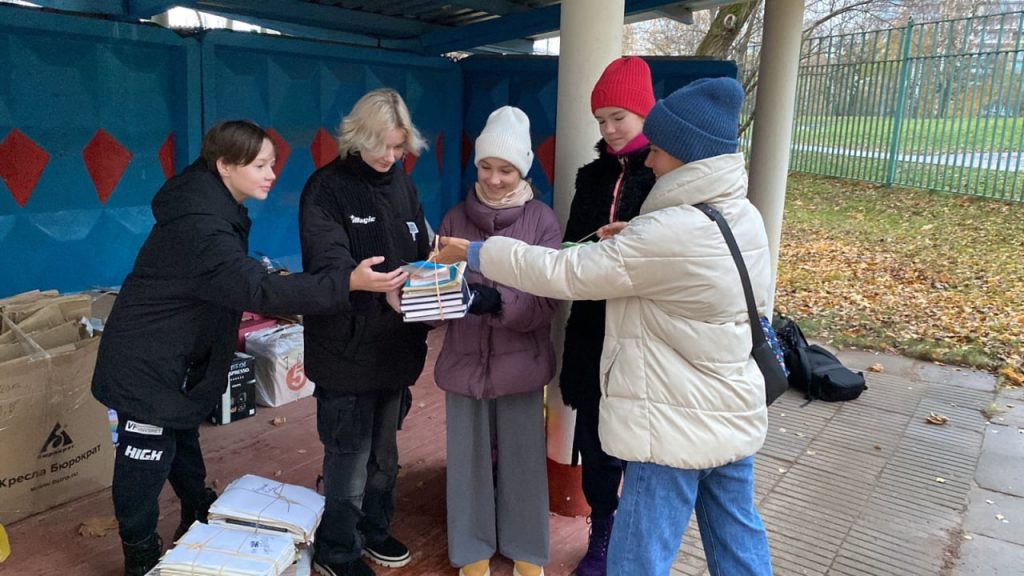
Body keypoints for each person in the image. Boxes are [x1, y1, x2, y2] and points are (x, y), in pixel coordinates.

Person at [436, 77, 774, 575]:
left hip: (673, 420)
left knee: (637, 555)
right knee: (736, 537)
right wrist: (636, 236)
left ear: (685, 154)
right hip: (730, 406)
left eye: (657, 149)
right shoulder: (742, 216)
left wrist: (477, 252)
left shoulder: (670, 230)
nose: (650, 160)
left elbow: (563, 272)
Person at [92, 120, 372, 576]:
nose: (271, 173)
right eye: (260, 164)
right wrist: (347, 281)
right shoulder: (201, 226)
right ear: (225, 166)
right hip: (145, 363)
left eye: (273, 163)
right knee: (144, 462)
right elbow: (256, 290)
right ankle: (139, 549)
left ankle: (197, 510)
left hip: (178, 360)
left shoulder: (213, 207)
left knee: (181, 435)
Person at [298, 88, 431, 576]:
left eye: (399, 148)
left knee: (385, 458)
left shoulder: (403, 185)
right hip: (345, 349)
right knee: (348, 461)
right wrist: (368, 285)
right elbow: (327, 261)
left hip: (395, 348)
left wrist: (432, 274)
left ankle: (374, 530)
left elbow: (420, 241)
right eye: (382, 146)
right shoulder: (326, 188)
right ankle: (337, 549)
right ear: (357, 136)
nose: (390, 157)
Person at [434, 106, 561, 576]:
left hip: (521, 360)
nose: (494, 179)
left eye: (505, 170)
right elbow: (437, 286)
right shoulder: (453, 216)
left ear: (523, 168)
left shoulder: (541, 221)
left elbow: (548, 298)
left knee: (524, 459)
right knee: (466, 461)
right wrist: (426, 296)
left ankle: (528, 547)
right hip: (464, 360)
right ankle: (471, 550)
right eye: (486, 167)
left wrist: (496, 300)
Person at [559, 56, 656, 576]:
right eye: (600, 120)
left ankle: (636, 541)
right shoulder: (592, 176)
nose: (609, 129)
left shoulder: (667, 172)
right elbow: (571, 242)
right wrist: (584, 247)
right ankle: (602, 531)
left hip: (645, 331)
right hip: (593, 328)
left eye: (619, 116)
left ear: (645, 112)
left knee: (640, 443)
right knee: (594, 438)